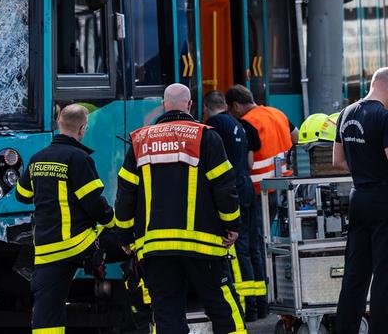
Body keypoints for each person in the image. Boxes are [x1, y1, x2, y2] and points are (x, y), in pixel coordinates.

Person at [115, 84, 246, 334]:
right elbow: (224, 187)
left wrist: (124, 237)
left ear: (164, 105)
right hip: (203, 244)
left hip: (155, 247)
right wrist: (232, 225)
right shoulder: (207, 136)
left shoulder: (140, 140)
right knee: (221, 306)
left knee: (166, 313)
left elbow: (125, 195)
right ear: (190, 105)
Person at [16, 104, 115, 334]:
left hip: (46, 249)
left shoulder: (37, 158)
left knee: (47, 312)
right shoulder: (79, 158)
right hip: (77, 244)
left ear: (59, 124)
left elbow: (22, 196)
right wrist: (114, 223)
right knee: (129, 244)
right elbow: (94, 204)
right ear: (82, 129)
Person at [225, 84, 297, 319]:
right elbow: (296, 136)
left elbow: (245, 159)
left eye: (231, 110)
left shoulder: (247, 123)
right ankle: (270, 294)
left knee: (254, 245)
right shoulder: (277, 113)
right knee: (267, 242)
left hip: (257, 190)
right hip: (280, 185)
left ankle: (259, 299)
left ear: (236, 105)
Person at [333, 67, 388, 334]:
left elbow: (337, 160)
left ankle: (345, 329)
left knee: (355, 274)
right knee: (384, 274)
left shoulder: (345, 113)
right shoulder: (384, 116)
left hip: (358, 197)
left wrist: (362, 169)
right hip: (383, 198)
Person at [203, 90, 263, 321]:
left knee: (237, 251)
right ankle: (260, 304)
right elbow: (249, 161)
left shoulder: (215, 125)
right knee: (252, 247)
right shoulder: (238, 124)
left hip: (233, 191)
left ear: (206, 108)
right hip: (246, 186)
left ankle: (246, 308)